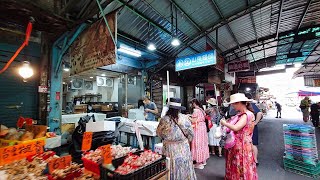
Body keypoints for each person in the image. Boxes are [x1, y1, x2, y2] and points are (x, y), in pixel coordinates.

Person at [156, 98, 197, 180]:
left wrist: (167, 139)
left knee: (171, 167)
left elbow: (159, 133)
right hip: (183, 148)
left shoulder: (164, 119)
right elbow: (191, 135)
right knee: (184, 168)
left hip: (169, 149)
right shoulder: (185, 118)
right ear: (179, 109)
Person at [220, 93, 258, 180]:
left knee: (240, 164)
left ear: (239, 103)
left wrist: (225, 123)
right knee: (244, 164)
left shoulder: (245, 115)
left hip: (241, 145)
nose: (233, 106)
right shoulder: (246, 114)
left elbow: (236, 128)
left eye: (234, 104)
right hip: (245, 143)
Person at [189, 98, 210, 170]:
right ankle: (203, 161)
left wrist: (188, 117)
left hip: (198, 128)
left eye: (191, 103)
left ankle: (199, 163)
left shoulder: (196, 110)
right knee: (202, 144)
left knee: (197, 144)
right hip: (203, 128)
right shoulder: (202, 109)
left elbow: (194, 120)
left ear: (194, 103)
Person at [245, 93, 263, 166]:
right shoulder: (251, 105)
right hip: (252, 126)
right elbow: (259, 113)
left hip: (250, 127)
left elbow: (259, 113)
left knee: (252, 144)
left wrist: (255, 122)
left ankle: (254, 160)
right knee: (252, 143)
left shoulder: (250, 105)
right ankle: (254, 160)